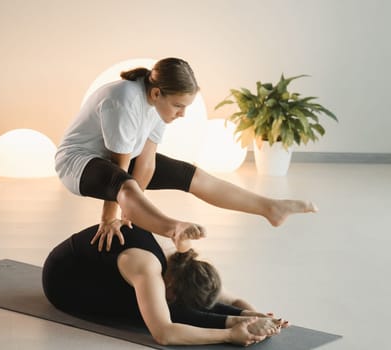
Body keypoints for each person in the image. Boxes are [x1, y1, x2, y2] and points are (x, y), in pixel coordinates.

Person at [55, 57, 317, 251]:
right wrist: (110, 218)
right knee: (124, 183)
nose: (182, 114)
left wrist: (131, 213)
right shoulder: (124, 99)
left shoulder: (155, 103)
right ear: (157, 93)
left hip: (114, 164)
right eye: (179, 106)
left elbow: (145, 162)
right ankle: (174, 228)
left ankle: (270, 207)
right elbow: (119, 170)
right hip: (78, 162)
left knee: (187, 174)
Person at [42, 224, 289, 346]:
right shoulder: (146, 267)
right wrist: (230, 334)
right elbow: (164, 333)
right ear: (171, 282)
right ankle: (232, 322)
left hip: (101, 271)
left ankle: (237, 320)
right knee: (167, 311)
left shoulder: (187, 263)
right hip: (65, 280)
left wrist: (252, 314)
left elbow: (227, 298)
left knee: (174, 302)